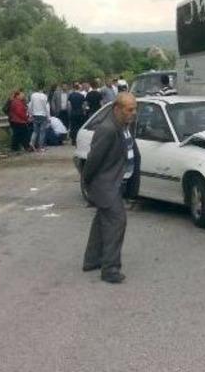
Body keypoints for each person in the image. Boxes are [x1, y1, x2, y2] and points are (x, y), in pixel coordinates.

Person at [82, 93, 141, 284]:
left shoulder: (126, 125)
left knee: (102, 221)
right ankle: (110, 269)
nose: (133, 113)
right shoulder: (107, 129)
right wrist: (87, 185)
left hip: (118, 183)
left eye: (135, 108)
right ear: (117, 109)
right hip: (105, 185)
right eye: (129, 109)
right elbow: (92, 162)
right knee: (117, 221)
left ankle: (92, 260)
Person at [28, 83, 50, 153]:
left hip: (35, 115)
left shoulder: (33, 95)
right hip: (42, 115)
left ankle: (32, 142)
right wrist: (48, 117)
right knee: (42, 132)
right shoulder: (44, 96)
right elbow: (46, 107)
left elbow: (30, 105)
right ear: (42, 89)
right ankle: (41, 147)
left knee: (35, 131)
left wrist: (30, 115)